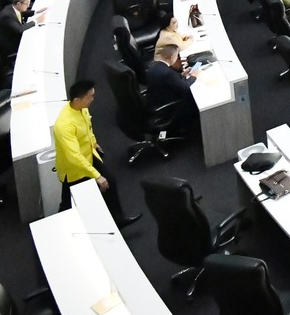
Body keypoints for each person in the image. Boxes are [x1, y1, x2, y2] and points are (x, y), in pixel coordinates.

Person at [52, 81, 138, 221]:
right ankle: (60, 224)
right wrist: (97, 176)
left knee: (110, 182)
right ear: (77, 100)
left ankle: (118, 218)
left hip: (88, 156)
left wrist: (94, 142)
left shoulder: (82, 108)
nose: (93, 99)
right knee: (68, 203)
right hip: (74, 168)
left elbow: (88, 128)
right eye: (89, 96)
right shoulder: (64, 125)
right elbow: (74, 156)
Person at [140, 44, 200, 134]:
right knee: (192, 99)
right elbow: (184, 87)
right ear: (172, 57)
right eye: (176, 56)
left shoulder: (154, 65)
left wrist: (182, 75)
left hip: (153, 101)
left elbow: (168, 80)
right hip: (165, 107)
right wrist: (193, 77)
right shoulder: (167, 72)